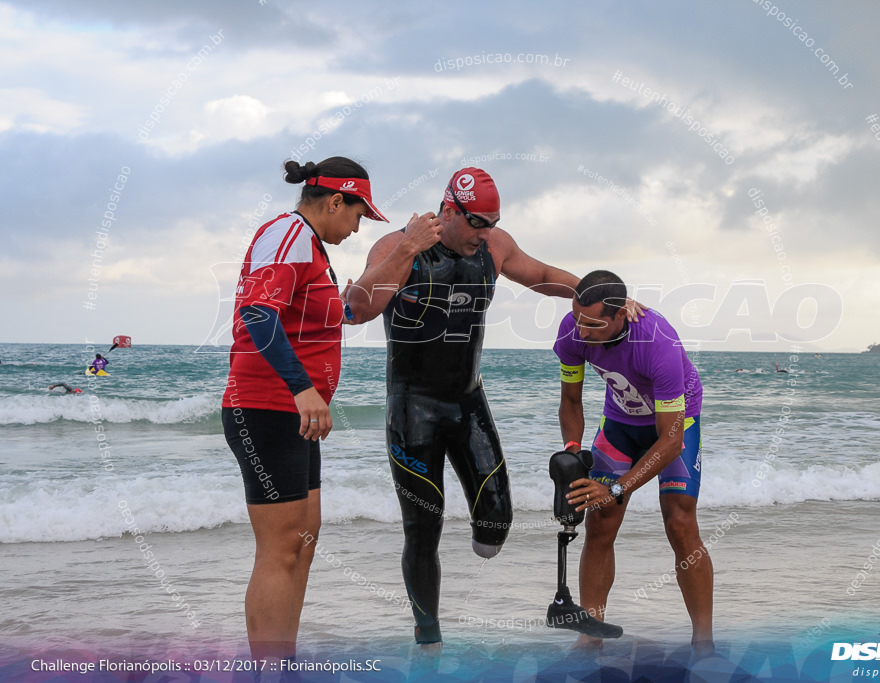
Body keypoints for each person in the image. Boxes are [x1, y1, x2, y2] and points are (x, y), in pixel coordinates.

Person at [344, 167, 641, 648]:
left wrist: (600, 298)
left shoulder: (494, 247)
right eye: (478, 222)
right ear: (449, 212)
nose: (485, 233)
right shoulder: (398, 247)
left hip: (467, 403)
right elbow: (356, 308)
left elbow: (542, 277)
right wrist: (406, 250)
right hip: (412, 409)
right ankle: (429, 638)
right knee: (424, 527)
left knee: (494, 529)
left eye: (493, 222)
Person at [221, 156, 388, 663]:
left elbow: (349, 311)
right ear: (335, 201)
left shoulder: (310, 246)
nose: (358, 227)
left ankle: (282, 663)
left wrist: (407, 251)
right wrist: (301, 388)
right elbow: (257, 313)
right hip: (266, 407)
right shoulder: (288, 232)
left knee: (304, 539)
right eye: (358, 215)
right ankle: (267, 670)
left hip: (292, 414)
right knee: (281, 549)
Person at [554, 270, 712, 655]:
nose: (583, 330)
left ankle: (704, 642)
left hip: (676, 425)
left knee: (680, 523)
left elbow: (671, 439)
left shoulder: (658, 342)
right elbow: (571, 402)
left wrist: (619, 487)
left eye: (593, 324)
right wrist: (573, 452)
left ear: (621, 315)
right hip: (619, 424)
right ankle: (591, 633)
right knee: (600, 520)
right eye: (578, 319)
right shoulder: (573, 331)